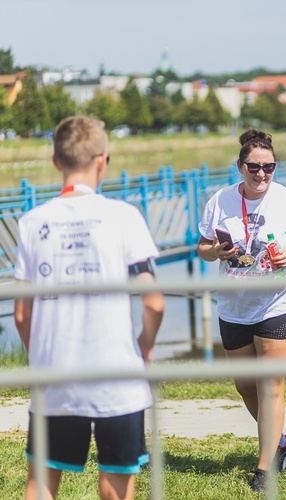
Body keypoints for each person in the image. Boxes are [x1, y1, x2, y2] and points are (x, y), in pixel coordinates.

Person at [14, 115, 165, 500]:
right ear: (102, 161)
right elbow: (154, 302)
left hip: (55, 375)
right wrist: (144, 347)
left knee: (42, 484)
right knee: (115, 487)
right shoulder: (125, 216)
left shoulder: (31, 222)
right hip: (117, 374)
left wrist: (41, 359)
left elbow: (21, 314)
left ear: (56, 161)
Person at [196, 128, 286, 491]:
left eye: (269, 167)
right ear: (240, 166)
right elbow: (202, 247)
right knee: (245, 384)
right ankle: (280, 442)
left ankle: (266, 468)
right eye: (254, 166)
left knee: (270, 385)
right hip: (234, 305)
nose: (262, 173)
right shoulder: (220, 200)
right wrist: (215, 253)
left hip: (278, 303)